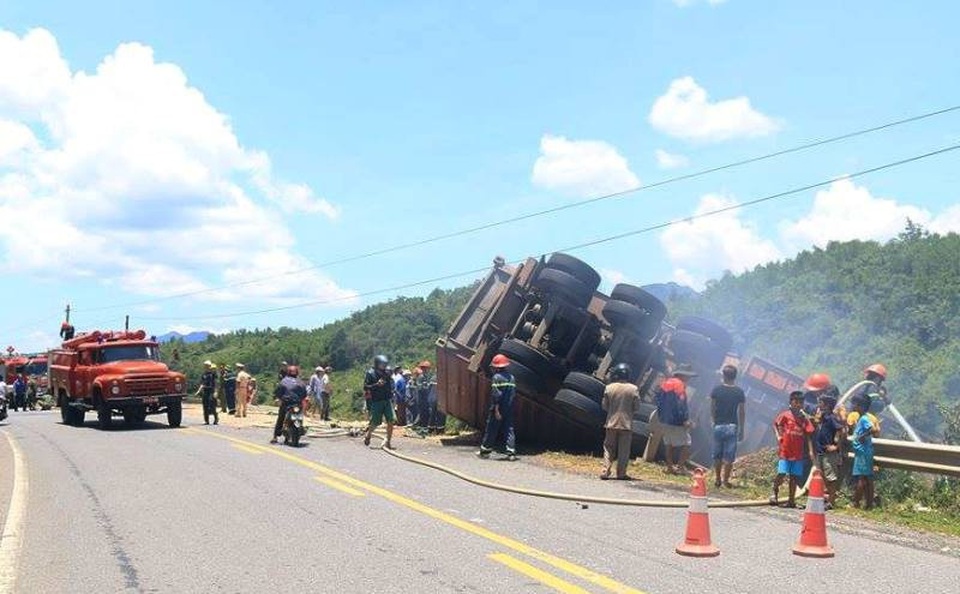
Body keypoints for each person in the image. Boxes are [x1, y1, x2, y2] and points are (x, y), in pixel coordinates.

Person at [771, 391, 814, 508]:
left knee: (794, 476)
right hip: (785, 450)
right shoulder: (785, 415)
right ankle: (774, 493)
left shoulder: (804, 419)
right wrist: (779, 436)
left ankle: (791, 500)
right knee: (781, 473)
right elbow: (776, 424)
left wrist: (810, 451)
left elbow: (809, 434)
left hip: (798, 452)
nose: (799, 405)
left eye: (801, 402)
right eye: (796, 402)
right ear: (791, 402)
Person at [655, 364, 698, 474]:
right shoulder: (679, 385)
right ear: (683, 375)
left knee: (669, 444)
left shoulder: (666, 383)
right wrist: (685, 420)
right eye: (688, 376)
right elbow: (680, 404)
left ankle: (669, 467)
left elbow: (658, 400)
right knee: (687, 443)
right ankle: (680, 467)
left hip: (664, 419)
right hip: (676, 421)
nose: (689, 379)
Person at [600, 363, 639, 480]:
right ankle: (621, 473)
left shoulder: (609, 388)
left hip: (611, 423)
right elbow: (636, 407)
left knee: (608, 448)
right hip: (626, 425)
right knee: (624, 450)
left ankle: (605, 470)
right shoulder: (634, 389)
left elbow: (604, 406)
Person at [710, 364, 746, 488]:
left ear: (724, 375)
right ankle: (726, 481)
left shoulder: (716, 390)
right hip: (732, 426)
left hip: (718, 425)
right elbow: (741, 411)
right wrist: (742, 429)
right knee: (729, 456)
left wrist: (713, 420)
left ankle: (717, 479)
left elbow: (712, 407)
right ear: (735, 377)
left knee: (717, 454)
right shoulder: (739, 392)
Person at [478, 354, 517, 460]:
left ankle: (485, 451)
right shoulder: (512, 378)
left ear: (496, 367)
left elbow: (496, 395)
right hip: (509, 407)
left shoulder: (496, 377)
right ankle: (511, 452)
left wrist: (496, 410)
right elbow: (513, 394)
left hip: (498, 408)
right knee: (509, 429)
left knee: (491, 429)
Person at [813, 390, 845, 509]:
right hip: (821, 451)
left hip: (828, 453)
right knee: (822, 476)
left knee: (831, 478)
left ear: (827, 405)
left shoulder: (832, 418)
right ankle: (825, 499)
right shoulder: (823, 417)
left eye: (820, 403)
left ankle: (831, 502)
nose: (819, 405)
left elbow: (841, 430)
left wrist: (836, 446)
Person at [850, 393, 877, 509]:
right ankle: (869, 504)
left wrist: (863, 436)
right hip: (863, 451)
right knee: (867, 478)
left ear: (861, 406)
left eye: (855, 404)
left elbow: (873, 429)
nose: (853, 406)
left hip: (863, 452)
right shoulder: (861, 418)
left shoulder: (864, 419)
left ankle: (856, 502)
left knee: (861, 478)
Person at [363, 355, 395, 449]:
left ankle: (388, 441)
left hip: (387, 400)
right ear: (377, 364)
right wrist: (377, 385)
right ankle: (368, 434)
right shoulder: (370, 373)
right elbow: (366, 387)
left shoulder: (387, 373)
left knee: (391, 420)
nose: (384, 366)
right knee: (376, 422)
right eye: (382, 364)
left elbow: (391, 384)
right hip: (377, 401)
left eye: (385, 364)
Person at [272, 365, 307, 444]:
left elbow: (278, 391)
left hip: (286, 403)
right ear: (297, 373)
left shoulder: (284, 381)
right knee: (299, 416)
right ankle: (300, 428)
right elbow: (304, 394)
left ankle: (275, 436)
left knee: (281, 418)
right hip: (297, 404)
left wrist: (278, 397)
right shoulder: (300, 382)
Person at [415, 360, 437, 430]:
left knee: (425, 413)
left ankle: (423, 427)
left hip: (425, 399)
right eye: (427, 368)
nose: (428, 370)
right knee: (423, 414)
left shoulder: (425, 376)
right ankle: (422, 428)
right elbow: (420, 387)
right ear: (424, 368)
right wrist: (428, 386)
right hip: (421, 399)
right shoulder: (421, 377)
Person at [197, 361, 218, 425]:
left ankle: (216, 418)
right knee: (205, 406)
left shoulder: (213, 374)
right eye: (205, 365)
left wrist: (216, 391)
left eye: (207, 365)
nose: (206, 366)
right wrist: (198, 391)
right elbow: (202, 384)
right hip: (205, 391)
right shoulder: (204, 374)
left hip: (211, 391)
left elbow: (216, 383)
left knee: (212, 405)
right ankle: (206, 420)